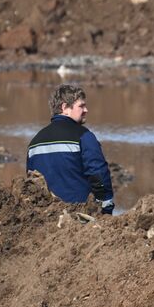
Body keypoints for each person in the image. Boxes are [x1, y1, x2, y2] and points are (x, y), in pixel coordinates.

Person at [27, 84, 114, 213]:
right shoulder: (84, 136)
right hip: (79, 217)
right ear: (65, 108)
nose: (86, 110)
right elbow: (98, 174)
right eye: (81, 106)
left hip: (44, 217)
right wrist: (106, 208)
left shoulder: (34, 142)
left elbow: (30, 185)